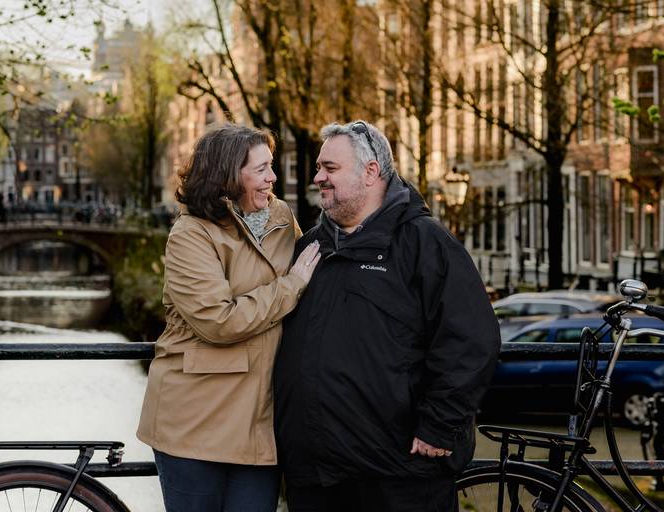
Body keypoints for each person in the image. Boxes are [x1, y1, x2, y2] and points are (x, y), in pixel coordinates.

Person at [273, 120, 501, 512]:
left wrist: (440, 427)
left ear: (371, 171)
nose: (318, 178)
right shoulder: (311, 246)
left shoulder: (424, 242)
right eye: (318, 167)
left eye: (330, 168)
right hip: (314, 475)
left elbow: (470, 339)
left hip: (397, 474)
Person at [137, 124, 321, 512]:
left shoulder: (282, 218)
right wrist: (291, 286)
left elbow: (315, 279)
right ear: (228, 174)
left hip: (260, 423)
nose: (273, 178)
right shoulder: (191, 235)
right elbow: (219, 322)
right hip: (196, 422)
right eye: (262, 169)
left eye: (272, 166)